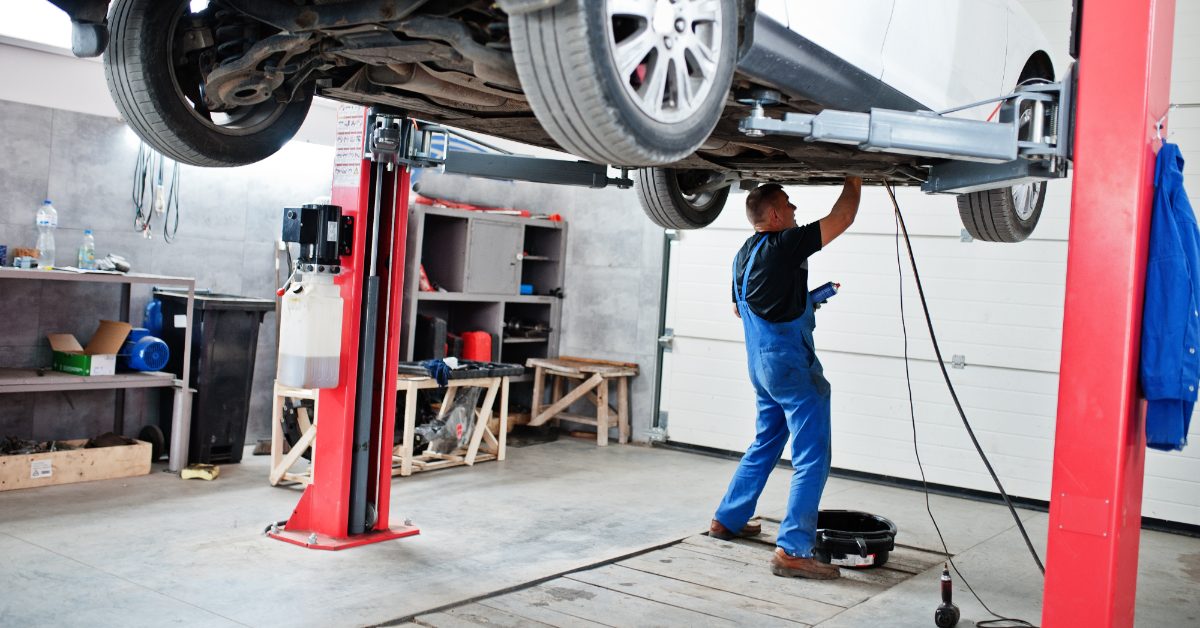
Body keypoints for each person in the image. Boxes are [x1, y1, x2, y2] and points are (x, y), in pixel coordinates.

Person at [709, 176, 862, 580]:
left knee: (766, 441)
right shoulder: (785, 243)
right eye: (790, 205)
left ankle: (728, 518)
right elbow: (843, 216)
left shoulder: (744, 253)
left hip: (761, 366)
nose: (795, 210)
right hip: (790, 367)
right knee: (812, 455)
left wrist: (805, 301)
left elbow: (745, 309)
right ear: (775, 215)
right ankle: (793, 550)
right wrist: (856, 175)